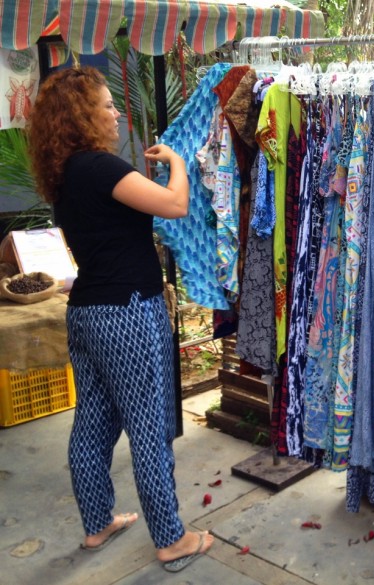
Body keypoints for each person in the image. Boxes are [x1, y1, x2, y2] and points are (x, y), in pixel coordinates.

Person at [26, 66, 214, 573]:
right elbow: (175, 204)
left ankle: (96, 525)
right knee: (149, 427)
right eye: (108, 105)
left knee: (92, 422)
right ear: (84, 114)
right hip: (127, 310)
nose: (116, 113)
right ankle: (172, 539)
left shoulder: (67, 174)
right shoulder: (100, 167)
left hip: (87, 310)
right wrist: (176, 160)